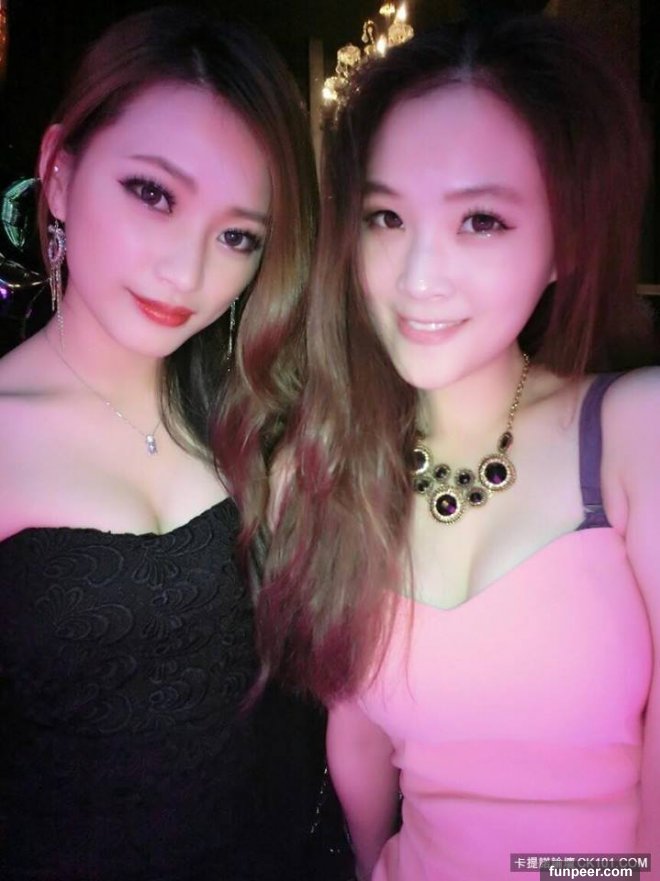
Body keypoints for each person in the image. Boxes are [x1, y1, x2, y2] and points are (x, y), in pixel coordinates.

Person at [255, 14, 660, 881]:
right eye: (386, 217)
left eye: (480, 220)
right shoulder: (327, 473)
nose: (417, 277)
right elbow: (358, 744)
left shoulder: (635, 434)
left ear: (566, 241)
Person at [0, 6, 352, 881]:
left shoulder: (256, 409)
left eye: (237, 236)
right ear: (58, 174)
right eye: (153, 194)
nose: (186, 272)